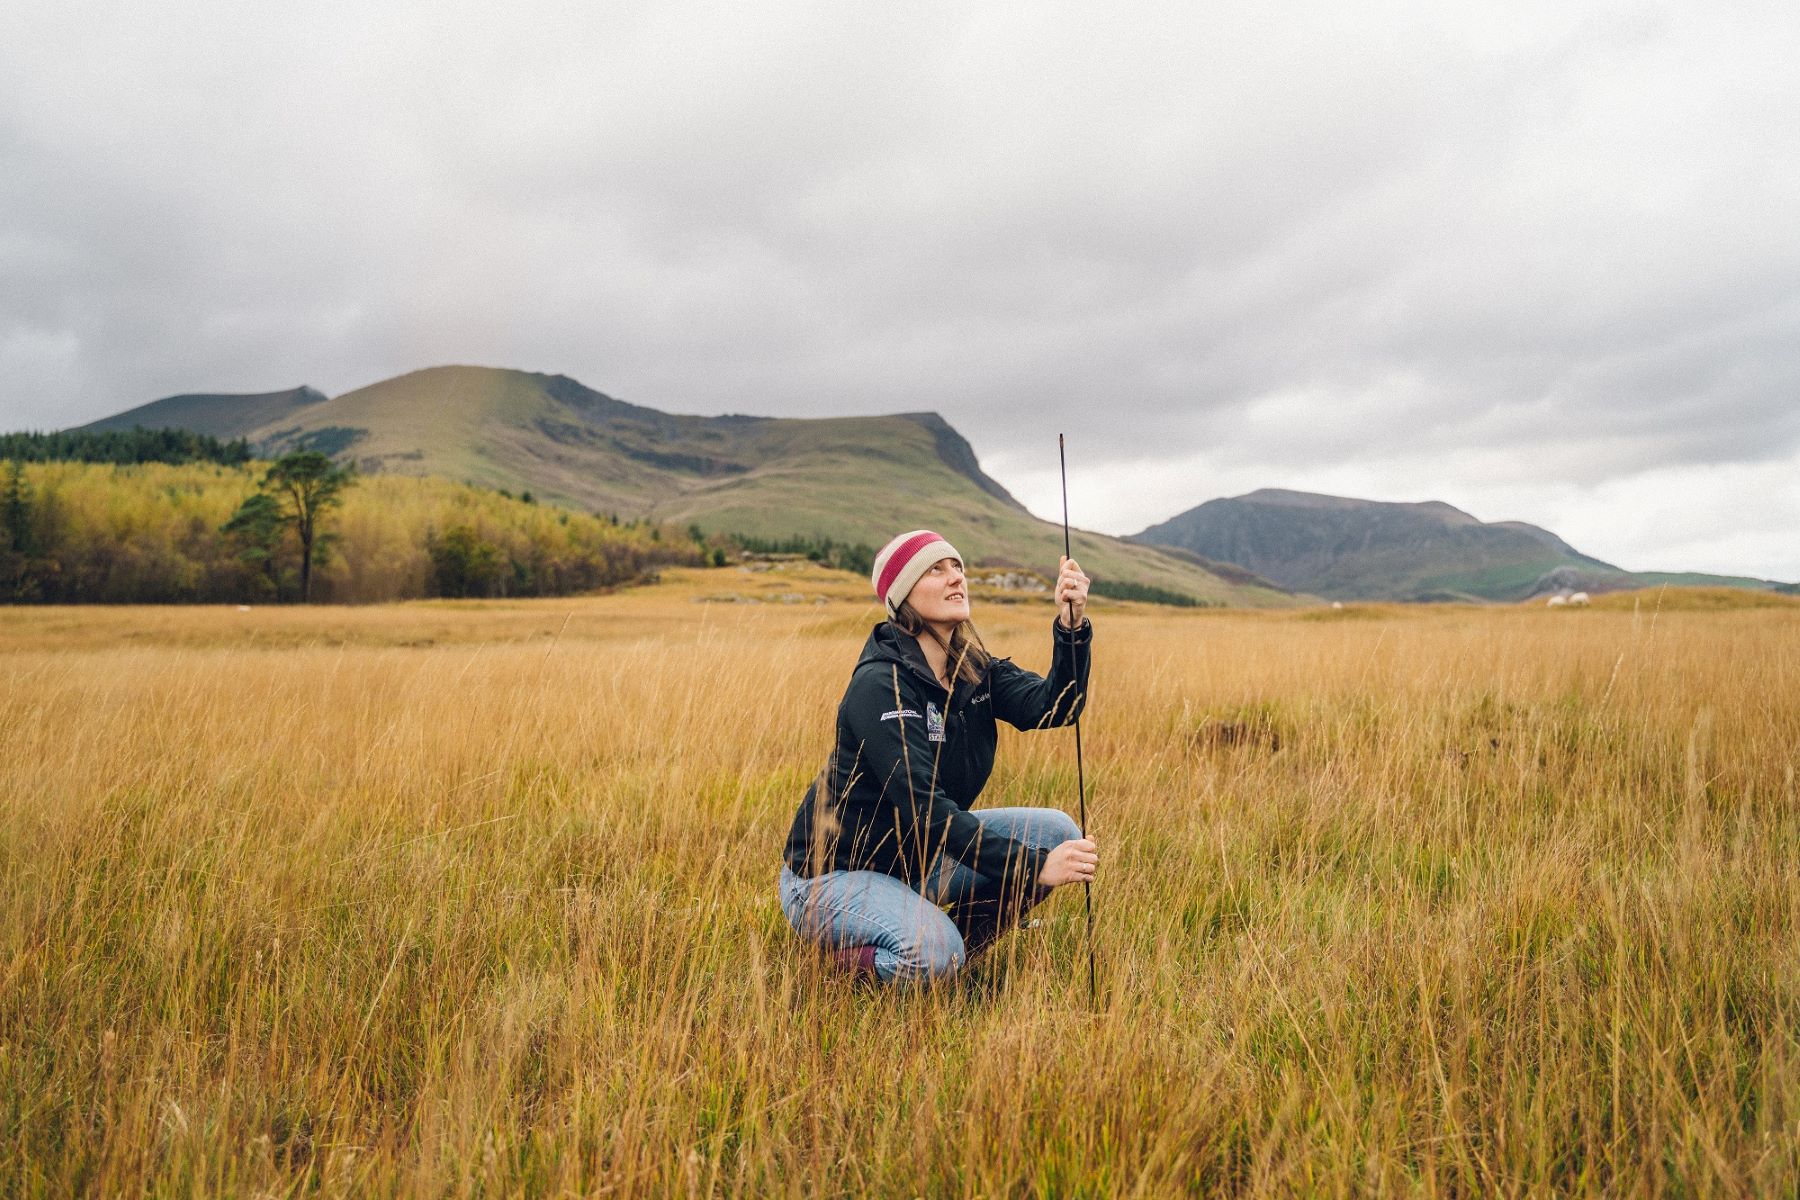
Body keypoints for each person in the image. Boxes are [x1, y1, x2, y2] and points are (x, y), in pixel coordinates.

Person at [778, 528, 1098, 986]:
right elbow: (925, 809)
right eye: (936, 569)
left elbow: (1057, 705)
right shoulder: (880, 686)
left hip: (917, 862)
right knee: (935, 953)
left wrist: (1072, 628)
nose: (956, 578)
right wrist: (1030, 868)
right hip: (831, 877)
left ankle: (959, 953)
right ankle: (850, 963)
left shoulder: (972, 669)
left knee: (1056, 833)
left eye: (958, 567)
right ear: (903, 594)